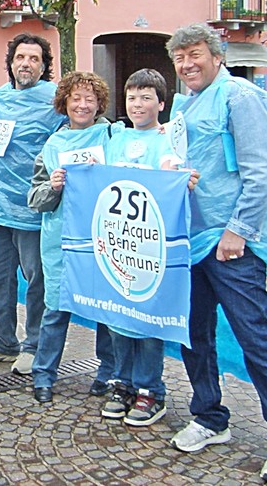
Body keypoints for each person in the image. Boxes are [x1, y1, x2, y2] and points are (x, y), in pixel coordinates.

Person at [167, 23, 267, 484]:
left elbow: (263, 168)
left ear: (216, 55)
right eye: (180, 58)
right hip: (193, 237)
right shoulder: (183, 101)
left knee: (255, 337)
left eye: (195, 54)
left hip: (233, 244)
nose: (188, 65)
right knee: (195, 334)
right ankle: (209, 416)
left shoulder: (241, 98)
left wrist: (239, 231)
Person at [0, 33, 68, 377]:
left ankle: (33, 345)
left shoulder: (55, 99)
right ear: (11, 62)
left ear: (44, 66)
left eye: (34, 59)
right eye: (20, 57)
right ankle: (2, 342)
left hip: (33, 206)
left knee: (36, 279)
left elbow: (73, 135)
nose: (26, 64)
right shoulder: (0, 96)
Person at [101, 68, 184, 425]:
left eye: (146, 97)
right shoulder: (115, 139)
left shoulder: (167, 140)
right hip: (119, 244)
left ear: (161, 103)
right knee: (120, 316)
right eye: (132, 97)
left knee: (147, 319)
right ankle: (122, 381)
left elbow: (170, 174)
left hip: (151, 246)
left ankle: (151, 389)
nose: (138, 104)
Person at [27, 71, 114, 403]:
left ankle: (108, 371)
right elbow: (35, 200)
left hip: (102, 238)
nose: (82, 104)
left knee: (105, 307)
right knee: (56, 309)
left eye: (89, 99)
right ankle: (44, 374)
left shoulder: (112, 137)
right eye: (76, 98)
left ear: (99, 105)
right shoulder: (52, 147)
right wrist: (54, 186)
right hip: (61, 239)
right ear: (64, 103)